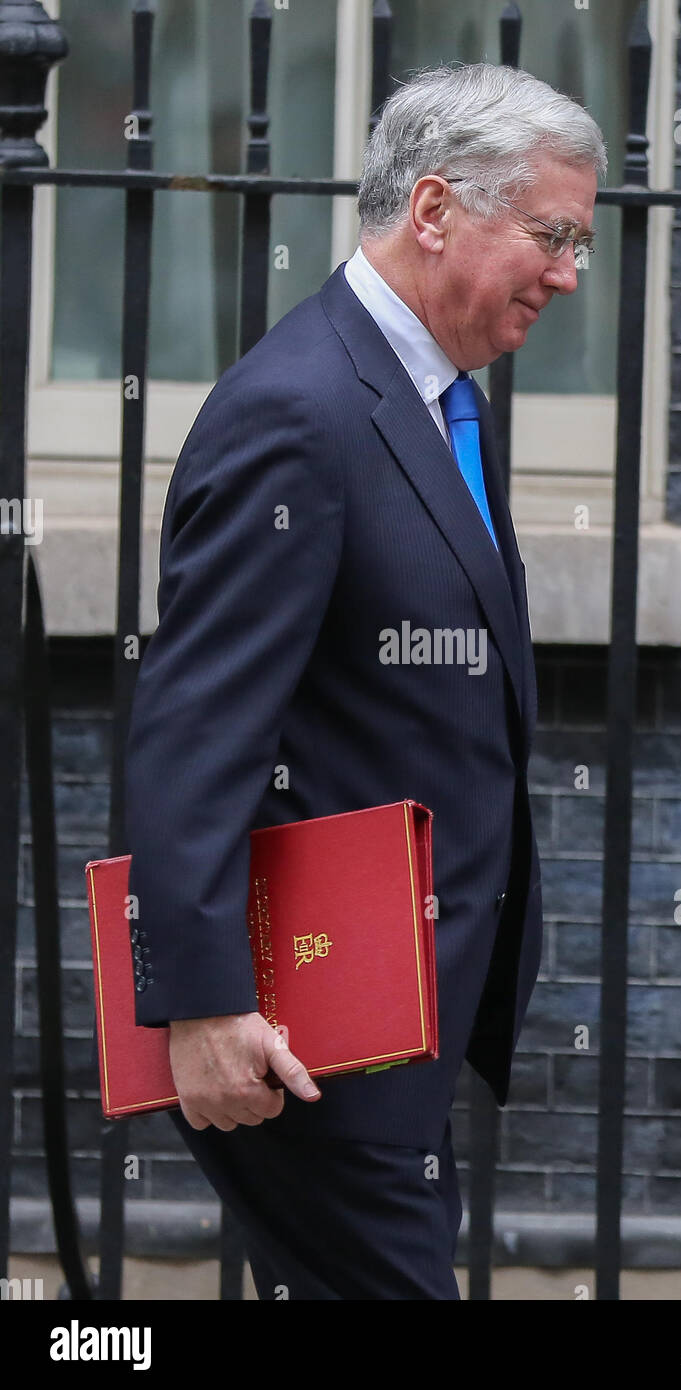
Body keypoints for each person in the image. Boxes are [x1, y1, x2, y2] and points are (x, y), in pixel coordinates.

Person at [124, 60, 606, 1300]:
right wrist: (203, 1005)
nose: (567, 274)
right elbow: (195, 725)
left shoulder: (446, 400)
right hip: (301, 1035)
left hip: (403, 1014)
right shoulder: (298, 410)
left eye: (577, 244)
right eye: (549, 236)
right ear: (434, 210)